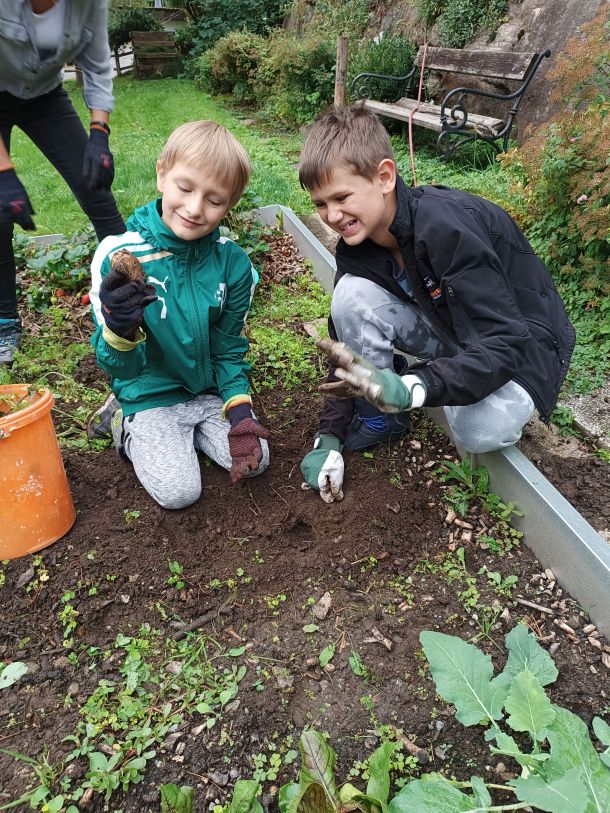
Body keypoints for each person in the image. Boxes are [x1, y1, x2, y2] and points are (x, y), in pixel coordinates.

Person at [299, 105, 575, 504]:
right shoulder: (357, 248)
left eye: (341, 197)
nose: (332, 215)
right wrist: (329, 436)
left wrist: (416, 386)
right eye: (320, 204)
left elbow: (506, 341)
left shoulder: (445, 228)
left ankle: (410, 386)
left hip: (523, 341)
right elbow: (343, 346)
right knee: (349, 297)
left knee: (477, 428)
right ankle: (384, 418)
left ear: (384, 177)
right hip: (457, 329)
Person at [86, 120, 270, 510]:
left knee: (259, 459)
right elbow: (121, 367)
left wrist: (239, 412)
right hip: (149, 392)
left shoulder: (234, 265)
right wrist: (119, 328)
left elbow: (228, 349)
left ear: (230, 205)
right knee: (179, 492)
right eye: (184, 188)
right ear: (161, 175)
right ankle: (122, 421)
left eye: (214, 201)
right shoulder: (119, 258)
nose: (194, 208)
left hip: (206, 392)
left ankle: (192, 433)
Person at [0, 0, 125, 365]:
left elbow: (97, 65)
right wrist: (4, 172)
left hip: (44, 96)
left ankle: (131, 289)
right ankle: (5, 322)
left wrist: (99, 133)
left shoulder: (90, 4)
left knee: (95, 188)